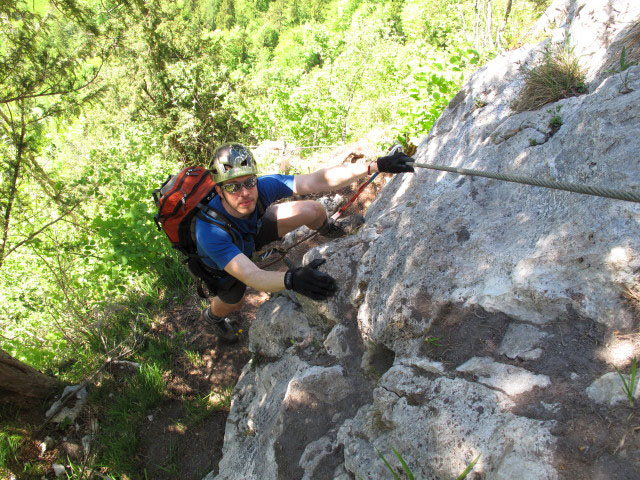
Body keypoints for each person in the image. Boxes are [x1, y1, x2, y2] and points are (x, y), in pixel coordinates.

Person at [193, 143, 414, 342]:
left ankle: (330, 229)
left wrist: (375, 165)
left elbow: (318, 180)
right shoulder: (209, 231)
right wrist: (293, 279)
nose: (244, 193)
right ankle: (212, 317)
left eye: (249, 182)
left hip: (251, 232)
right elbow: (253, 276)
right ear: (219, 191)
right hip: (222, 263)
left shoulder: (263, 187)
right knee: (234, 302)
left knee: (313, 209)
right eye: (232, 187)